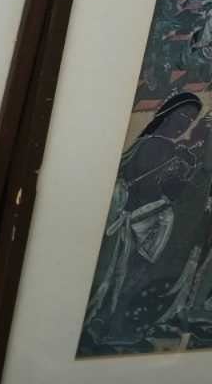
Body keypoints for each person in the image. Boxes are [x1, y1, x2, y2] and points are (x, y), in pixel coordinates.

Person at [82, 93, 202, 348]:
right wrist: (180, 174)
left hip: (147, 224)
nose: (186, 123)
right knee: (123, 276)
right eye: (183, 115)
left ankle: (106, 328)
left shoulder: (159, 147)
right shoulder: (156, 146)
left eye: (192, 119)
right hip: (136, 223)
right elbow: (151, 188)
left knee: (126, 278)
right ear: (167, 114)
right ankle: (104, 328)